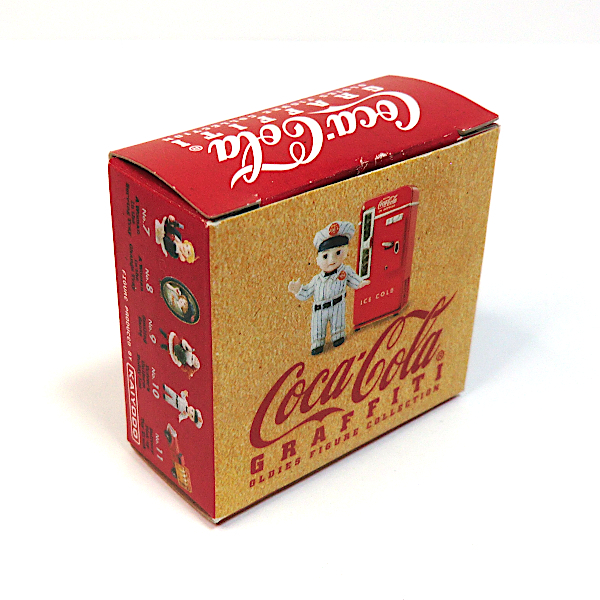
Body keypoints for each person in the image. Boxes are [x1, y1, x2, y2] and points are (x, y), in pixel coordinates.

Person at [288, 221, 370, 355]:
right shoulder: (317, 280)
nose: (332, 260)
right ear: (318, 259)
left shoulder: (345, 271)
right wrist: (298, 290)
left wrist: (361, 283)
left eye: (338, 253)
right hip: (320, 309)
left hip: (338, 305)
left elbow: (354, 280)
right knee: (318, 329)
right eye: (325, 256)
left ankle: (338, 336)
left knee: (338, 327)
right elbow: (306, 293)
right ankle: (317, 343)